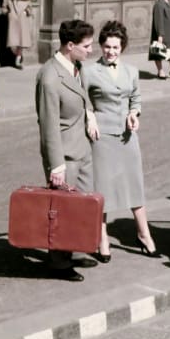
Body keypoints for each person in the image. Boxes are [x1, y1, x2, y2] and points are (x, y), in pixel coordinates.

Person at [84, 20, 158, 263]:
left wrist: (133, 114)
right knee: (103, 188)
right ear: (101, 46)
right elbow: (83, 100)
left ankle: (144, 234)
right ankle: (102, 238)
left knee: (134, 185)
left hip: (127, 137)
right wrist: (90, 117)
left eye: (115, 47)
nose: (111, 52)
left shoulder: (131, 71)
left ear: (122, 47)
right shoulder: (89, 71)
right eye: (107, 47)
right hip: (102, 137)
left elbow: (135, 99)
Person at [35, 19, 99, 281]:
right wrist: (56, 165)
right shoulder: (50, 77)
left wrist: (90, 114)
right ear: (70, 45)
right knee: (62, 210)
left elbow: (83, 98)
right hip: (65, 156)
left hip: (82, 149)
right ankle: (59, 263)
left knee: (81, 208)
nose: (91, 49)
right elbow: (48, 123)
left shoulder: (76, 66)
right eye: (86, 45)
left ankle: (73, 250)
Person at [2, 0, 32, 69]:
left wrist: (26, 11)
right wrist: (8, 12)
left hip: (22, 21)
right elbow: (3, 7)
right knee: (13, 43)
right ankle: (17, 55)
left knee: (21, 42)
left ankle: (17, 61)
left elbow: (30, 8)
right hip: (13, 21)